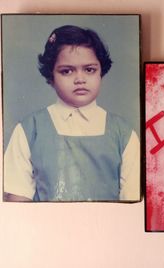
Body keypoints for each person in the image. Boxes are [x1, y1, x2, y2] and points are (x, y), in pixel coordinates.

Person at [4, 25, 140, 202]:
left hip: (106, 227)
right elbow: (17, 202)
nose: (80, 79)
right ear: (51, 77)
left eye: (89, 69)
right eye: (66, 71)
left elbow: (132, 200)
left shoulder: (123, 133)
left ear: (101, 72)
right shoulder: (30, 130)